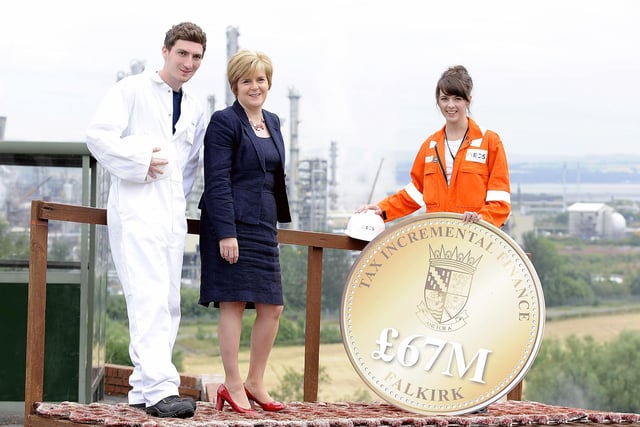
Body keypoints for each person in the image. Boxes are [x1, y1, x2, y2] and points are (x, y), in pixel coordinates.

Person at [86, 22, 207, 419]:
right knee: (148, 298)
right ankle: (160, 390)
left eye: (196, 57)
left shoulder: (193, 104)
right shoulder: (130, 90)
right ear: (165, 51)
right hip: (136, 209)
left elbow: (188, 165)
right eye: (182, 54)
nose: (188, 63)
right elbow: (98, 137)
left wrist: (176, 201)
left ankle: (141, 387)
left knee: (169, 302)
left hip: (170, 214)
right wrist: (139, 162)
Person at [198, 49, 291, 414]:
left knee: (273, 306)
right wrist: (226, 232)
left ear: (269, 82)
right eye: (247, 80)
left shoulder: (274, 121)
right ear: (235, 85)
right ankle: (232, 383)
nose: (255, 86)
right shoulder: (224, 122)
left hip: (264, 224)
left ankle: (255, 380)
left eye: (261, 79)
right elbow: (217, 180)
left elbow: (273, 177)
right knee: (233, 302)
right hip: (232, 224)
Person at [357, 65, 511, 229]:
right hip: (436, 237)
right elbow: (415, 193)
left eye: (457, 99)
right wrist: (382, 209)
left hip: (473, 238)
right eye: (445, 99)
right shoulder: (430, 145)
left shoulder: (489, 142)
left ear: (468, 100)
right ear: (438, 101)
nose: (450, 105)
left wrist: (481, 219)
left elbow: (500, 202)